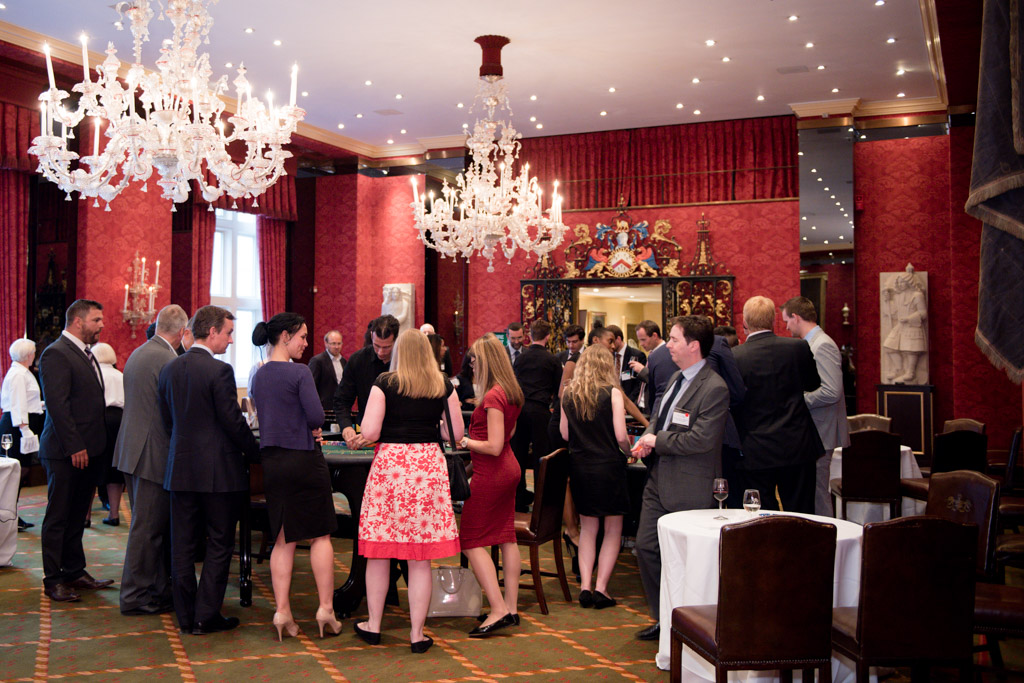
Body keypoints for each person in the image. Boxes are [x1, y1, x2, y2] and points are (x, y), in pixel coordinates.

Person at [353, 330, 464, 653]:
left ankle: (373, 626)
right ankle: (417, 634)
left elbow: (371, 432)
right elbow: (455, 432)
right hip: (427, 467)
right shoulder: (443, 385)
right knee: (419, 558)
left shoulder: (385, 383)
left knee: (379, 552)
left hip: (391, 467)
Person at [159, 305, 259, 635]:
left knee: (182, 546)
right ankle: (206, 616)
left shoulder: (170, 369)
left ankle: (186, 616)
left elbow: (168, 421)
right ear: (212, 332)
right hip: (218, 474)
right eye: (229, 333)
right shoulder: (219, 372)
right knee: (219, 543)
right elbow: (232, 422)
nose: (231, 341)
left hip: (180, 469)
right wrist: (255, 451)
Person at [630, 315, 729, 641]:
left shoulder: (714, 388)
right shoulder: (675, 378)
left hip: (690, 483)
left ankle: (686, 624)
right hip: (658, 478)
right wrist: (646, 438)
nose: (668, 345)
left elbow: (702, 439)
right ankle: (663, 617)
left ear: (693, 346)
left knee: (685, 559)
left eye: (673, 339)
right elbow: (658, 419)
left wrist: (658, 441)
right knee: (646, 547)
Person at [250, 313, 342, 641]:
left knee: (282, 538)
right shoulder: (299, 372)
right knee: (320, 535)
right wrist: (312, 424)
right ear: (285, 336)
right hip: (304, 459)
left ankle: (282, 611)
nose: (306, 343)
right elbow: (317, 416)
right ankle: (326, 610)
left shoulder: (259, 376)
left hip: (272, 461)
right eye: (302, 337)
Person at [38, 299, 113, 603]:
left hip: (88, 450)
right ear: (78, 321)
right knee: (58, 516)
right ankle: (53, 579)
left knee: (76, 515)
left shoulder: (84, 353)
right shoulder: (56, 353)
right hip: (66, 451)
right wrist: (75, 446)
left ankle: (74, 570)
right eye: (96, 320)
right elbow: (58, 406)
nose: (102, 325)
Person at [114, 303, 187, 616]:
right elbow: (172, 411)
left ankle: (153, 590)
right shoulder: (167, 358)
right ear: (183, 333)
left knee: (148, 527)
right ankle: (134, 596)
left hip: (133, 450)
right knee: (147, 530)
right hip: (151, 452)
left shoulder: (140, 352)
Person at [456, 333, 523, 636]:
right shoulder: (510, 392)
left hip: (494, 471)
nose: (471, 366)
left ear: (487, 362)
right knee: (506, 537)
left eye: (474, 361)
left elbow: (495, 445)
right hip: (507, 468)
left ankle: (497, 609)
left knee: (470, 539)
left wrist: (465, 441)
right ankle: (510, 607)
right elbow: (507, 437)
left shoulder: (494, 395)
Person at [732, 296, 823, 514]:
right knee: (801, 514)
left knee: (759, 516)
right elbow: (813, 383)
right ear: (774, 321)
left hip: (754, 447)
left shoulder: (735, 357)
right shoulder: (798, 348)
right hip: (796, 443)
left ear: (744, 322)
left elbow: (733, 400)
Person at [559, 344, 633, 610]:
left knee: (588, 529)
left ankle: (585, 586)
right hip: (609, 467)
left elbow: (565, 435)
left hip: (580, 466)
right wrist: (630, 452)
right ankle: (601, 587)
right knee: (613, 529)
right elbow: (621, 436)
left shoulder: (569, 393)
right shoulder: (612, 393)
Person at [782, 296, 850, 517]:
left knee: (818, 492)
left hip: (821, 432)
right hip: (817, 431)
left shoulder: (821, 345)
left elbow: (832, 392)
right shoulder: (813, 343)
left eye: (787, 321)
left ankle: (827, 539)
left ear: (796, 317)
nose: (786, 327)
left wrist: (798, 400)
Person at [510, 319, 562, 512]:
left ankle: (519, 499)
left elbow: (514, 383)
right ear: (548, 337)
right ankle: (542, 503)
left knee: (519, 454)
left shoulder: (520, 359)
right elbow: (558, 391)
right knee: (542, 456)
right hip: (541, 411)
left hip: (521, 409)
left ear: (529, 336)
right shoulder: (552, 360)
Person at [333, 315, 399, 449]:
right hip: (365, 436)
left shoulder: (406, 362)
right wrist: (346, 427)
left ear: (396, 340)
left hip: (399, 437)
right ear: (371, 336)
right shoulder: (358, 360)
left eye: (386, 347)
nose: (380, 352)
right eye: (376, 345)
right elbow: (342, 400)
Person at [0, 338, 44, 531]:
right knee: (15, 472)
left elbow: (27, 401)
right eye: (34, 352)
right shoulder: (19, 374)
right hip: (17, 427)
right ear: (29, 355)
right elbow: (18, 403)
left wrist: (41, 406)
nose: (35, 355)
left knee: (20, 471)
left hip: (20, 424)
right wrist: (24, 429)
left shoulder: (22, 372)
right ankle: (9, 516)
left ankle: (12, 515)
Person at [91, 342, 124, 527]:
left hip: (96, 419)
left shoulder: (92, 374)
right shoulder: (120, 375)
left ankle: (85, 517)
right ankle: (114, 514)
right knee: (114, 468)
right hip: (118, 421)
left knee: (91, 468)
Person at [629, 320, 673, 416]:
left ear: (654, 336)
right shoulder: (652, 354)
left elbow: (661, 383)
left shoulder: (666, 354)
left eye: (643, 340)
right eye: (639, 340)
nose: (641, 344)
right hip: (643, 407)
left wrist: (643, 371)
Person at [605, 324, 646, 404]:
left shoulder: (637, 355)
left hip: (630, 403)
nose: (610, 345)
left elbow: (639, 385)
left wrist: (628, 404)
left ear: (619, 339)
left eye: (611, 341)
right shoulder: (608, 356)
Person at [307, 330, 345, 413]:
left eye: (339, 343)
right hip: (323, 409)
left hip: (340, 408)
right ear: (326, 343)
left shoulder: (344, 361)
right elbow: (311, 386)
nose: (336, 347)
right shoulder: (317, 361)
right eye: (333, 343)